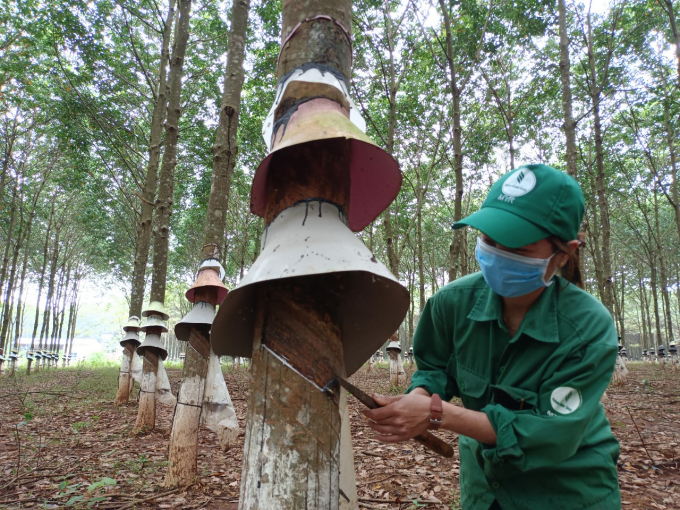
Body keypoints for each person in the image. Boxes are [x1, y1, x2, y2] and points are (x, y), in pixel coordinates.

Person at [363, 164, 621, 510]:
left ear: (563, 253)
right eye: (488, 240)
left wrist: (438, 414)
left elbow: (553, 433)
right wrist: (421, 396)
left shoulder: (587, 328)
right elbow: (435, 368)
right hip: (484, 488)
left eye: (519, 248)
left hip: (565, 490)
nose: (498, 254)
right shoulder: (451, 303)